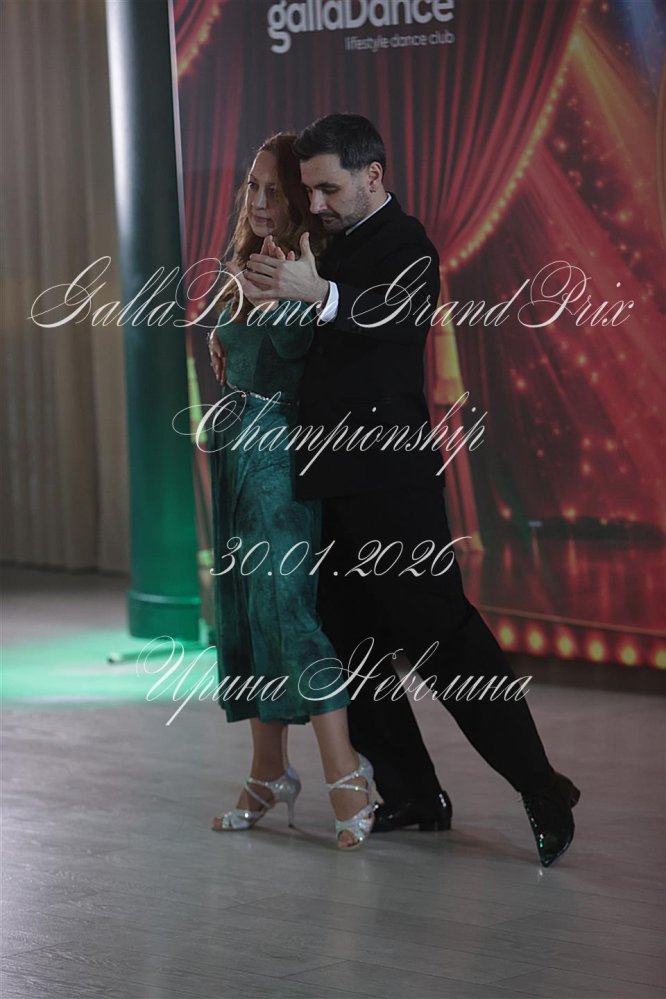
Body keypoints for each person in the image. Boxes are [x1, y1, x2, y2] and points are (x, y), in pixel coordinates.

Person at [241, 113, 580, 867]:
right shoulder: (324, 243)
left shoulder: (408, 245)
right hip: (327, 482)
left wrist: (319, 293)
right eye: (308, 190)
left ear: (374, 175)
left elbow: (389, 317)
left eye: (329, 189)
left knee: (444, 640)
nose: (316, 203)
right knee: (350, 647)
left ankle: (542, 788)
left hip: (390, 484)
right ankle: (414, 792)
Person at [206, 132, 375, 850]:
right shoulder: (245, 262)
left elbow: (309, 356)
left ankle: (347, 773)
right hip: (236, 456)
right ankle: (267, 770)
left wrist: (277, 299)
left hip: (283, 462)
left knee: (290, 612)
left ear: (301, 200)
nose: (258, 200)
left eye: (274, 189)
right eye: (252, 186)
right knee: (245, 613)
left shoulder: (310, 267)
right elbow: (238, 346)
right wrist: (228, 323)